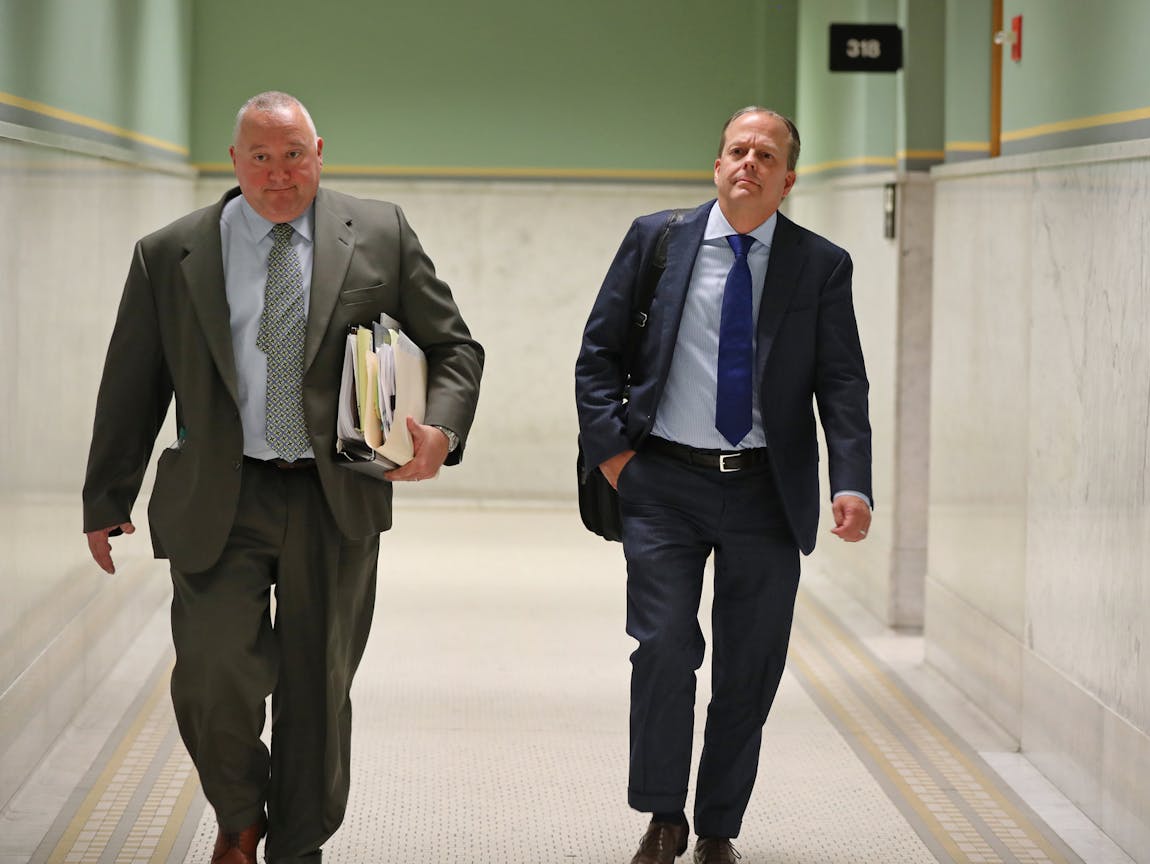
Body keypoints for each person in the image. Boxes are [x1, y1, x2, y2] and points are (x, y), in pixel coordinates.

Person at [81, 91, 484, 864]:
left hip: (334, 496)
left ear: (320, 151)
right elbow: (133, 383)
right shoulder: (170, 253)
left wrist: (443, 428)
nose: (278, 173)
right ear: (233, 162)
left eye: (293, 153)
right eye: (260, 157)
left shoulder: (378, 232)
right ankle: (239, 812)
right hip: (220, 495)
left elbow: (455, 347)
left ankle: (297, 847)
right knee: (211, 673)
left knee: (317, 690)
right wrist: (107, 498)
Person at [575, 106, 873, 864]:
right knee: (664, 647)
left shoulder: (820, 264)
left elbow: (842, 383)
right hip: (664, 482)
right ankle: (663, 815)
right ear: (716, 166)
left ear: (788, 179)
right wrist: (618, 461)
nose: (749, 163)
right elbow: (598, 356)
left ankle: (717, 829)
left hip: (767, 493)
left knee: (750, 666)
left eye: (766, 155)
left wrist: (853, 482)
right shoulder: (659, 241)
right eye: (737, 150)